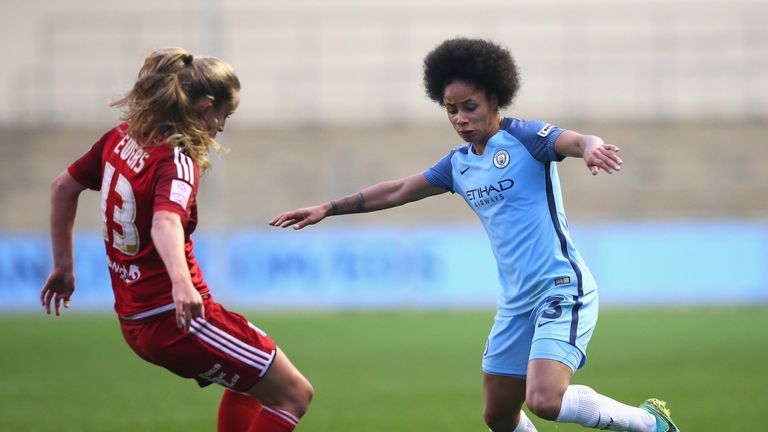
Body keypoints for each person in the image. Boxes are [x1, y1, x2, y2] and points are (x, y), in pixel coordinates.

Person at [269, 38, 680, 432]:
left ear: (495, 101)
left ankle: (648, 422)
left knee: (544, 400)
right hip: (516, 301)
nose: (461, 119)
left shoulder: (524, 138)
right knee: (499, 417)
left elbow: (574, 139)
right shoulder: (459, 164)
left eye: (470, 107)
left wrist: (591, 147)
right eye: (451, 110)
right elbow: (397, 190)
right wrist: (328, 207)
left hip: (561, 287)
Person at [41, 48, 313, 432]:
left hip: (137, 317)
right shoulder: (176, 162)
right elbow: (165, 223)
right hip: (176, 317)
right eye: (224, 115)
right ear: (204, 107)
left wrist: (63, 267)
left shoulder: (121, 138)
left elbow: (62, 186)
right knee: (294, 394)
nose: (221, 126)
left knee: (254, 384)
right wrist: (183, 286)